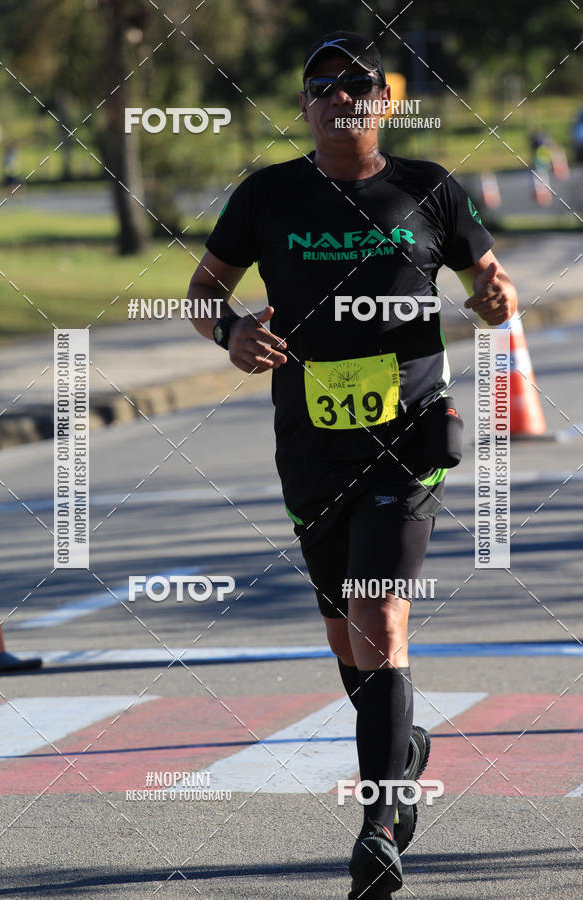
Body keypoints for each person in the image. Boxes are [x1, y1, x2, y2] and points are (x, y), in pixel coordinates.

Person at [188, 30, 517, 898]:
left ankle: (379, 824)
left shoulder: (428, 188)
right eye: (322, 85)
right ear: (304, 107)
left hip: (409, 438)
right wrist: (231, 332)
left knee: (379, 621)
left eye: (357, 84)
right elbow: (205, 289)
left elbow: (492, 287)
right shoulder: (268, 194)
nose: (340, 96)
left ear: (384, 101)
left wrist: (493, 300)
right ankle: (401, 748)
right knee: (346, 633)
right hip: (309, 444)